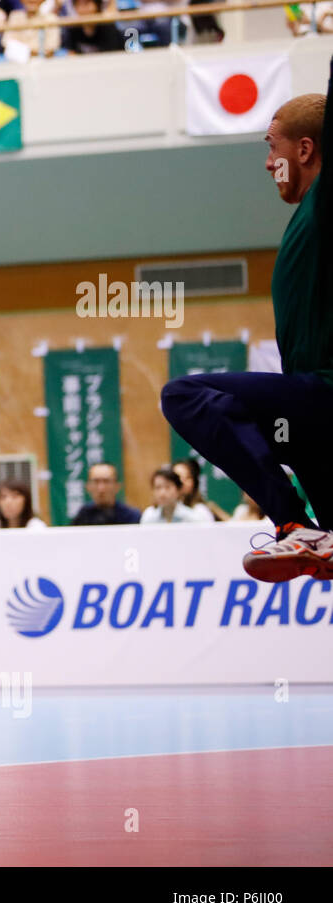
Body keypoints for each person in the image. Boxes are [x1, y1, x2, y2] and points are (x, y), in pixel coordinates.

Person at [162, 59, 333, 582]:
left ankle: (290, 522)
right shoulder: (307, 217)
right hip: (310, 422)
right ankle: (308, 533)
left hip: (323, 397)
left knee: (184, 395)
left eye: (271, 145)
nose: (267, 162)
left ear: (304, 149)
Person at [69, 462, 141, 525]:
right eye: (96, 481)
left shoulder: (131, 517)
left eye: (106, 481)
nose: (101, 488)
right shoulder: (83, 515)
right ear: (88, 486)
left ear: (117, 486)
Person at [172, 457, 225, 522]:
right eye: (177, 478)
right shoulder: (160, 511)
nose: (181, 482)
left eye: (187, 478)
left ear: (194, 482)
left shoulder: (200, 511)